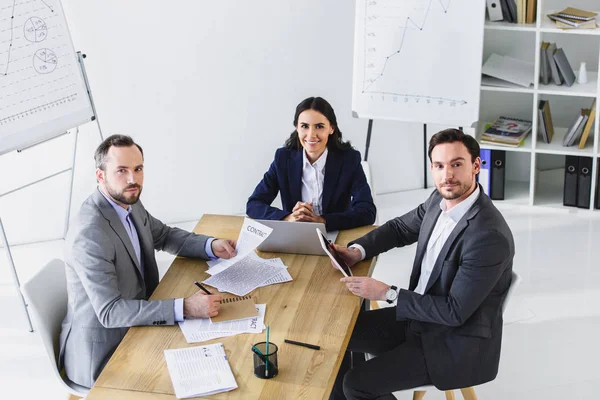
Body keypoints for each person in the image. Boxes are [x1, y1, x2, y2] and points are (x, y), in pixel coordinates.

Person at [330, 129, 515, 399]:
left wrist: (387, 293)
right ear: (431, 168)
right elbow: (399, 228)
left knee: (356, 384)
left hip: (452, 343)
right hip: (419, 318)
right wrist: (358, 251)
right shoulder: (439, 199)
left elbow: (454, 312)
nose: (447, 175)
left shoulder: (488, 236)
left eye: (456, 164)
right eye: (439, 166)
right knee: (340, 335)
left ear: (476, 165)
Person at [59, 134, 237, 388]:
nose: (133, 179)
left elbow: (162, 235)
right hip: (104, 352)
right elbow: (111, 313)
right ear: (100, 176)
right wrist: (185, 307)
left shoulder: (127, 199)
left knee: (226, 352)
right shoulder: (90, 233)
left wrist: (210, 245)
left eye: (138, 169)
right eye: (121, 170)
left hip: (139, 321)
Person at [246, 96, 376, 231]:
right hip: (296, 234)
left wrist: (322, 220)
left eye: (319, 126)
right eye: (304, 126)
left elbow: (367, 212)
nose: (311, 134)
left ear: (331, 128)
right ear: (297, 128)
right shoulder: (283, 158)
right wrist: (288, 218)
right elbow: (254, 204)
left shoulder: (349, 159)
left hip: (335, 234)